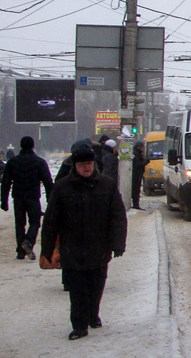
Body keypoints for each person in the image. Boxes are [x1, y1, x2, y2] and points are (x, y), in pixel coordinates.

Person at [39, 145, 127, 341]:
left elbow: (118, 216)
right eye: (82, 164)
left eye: (89, 163)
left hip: (99, 245)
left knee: (96, 284)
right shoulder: (62, 188)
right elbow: (51, 220)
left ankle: (92, 314)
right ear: (75, 166)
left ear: (94, 164)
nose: (86, 167)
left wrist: (118, 243)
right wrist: (47, 248)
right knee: (77, 289)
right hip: (72, 247)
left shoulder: (107, 184)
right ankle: (79, 326)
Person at [0, 136, 54, 259]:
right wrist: (50, 199)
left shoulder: (13, 162)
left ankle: (20, 250)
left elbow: (6, 182)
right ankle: (28, 241)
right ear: (32, 146)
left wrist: (4, 200)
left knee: (20, 223)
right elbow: (47, 181)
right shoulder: (39, 162)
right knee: (35, 222)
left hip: (18, 196)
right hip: (33, 196)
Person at [130, 140, 146, 210]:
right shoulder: (136, 154)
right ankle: (135, 204)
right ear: (138, 147)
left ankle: (136, 204)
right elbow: (138, 164)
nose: (142, 148)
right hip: (136, 175)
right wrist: (145, 162)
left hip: (137, 174)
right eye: (141, 146)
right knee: (135, 190)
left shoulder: (137, 153)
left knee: (136, 190)